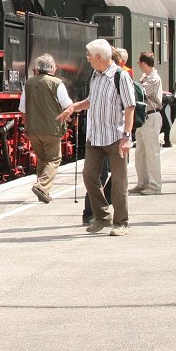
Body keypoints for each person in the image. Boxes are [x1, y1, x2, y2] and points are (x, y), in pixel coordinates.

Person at [58, 39, 136, 237]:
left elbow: (130, 107)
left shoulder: (120, 77)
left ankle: (121, 222)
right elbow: (92, 101)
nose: (87, 60)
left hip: (115, 137)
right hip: (96, 137)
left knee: (119, 182)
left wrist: (126, 136)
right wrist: (74, 107)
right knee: (89, 176)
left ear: (98, 57)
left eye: (89, 56)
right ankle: (102, 216)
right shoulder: (95, 75)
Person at [19, 54, 73, 204]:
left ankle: (43, 191)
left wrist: (27, 125)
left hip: (34, 129)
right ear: (51, 69)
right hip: (51, 129)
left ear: (37, 69)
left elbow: (22, 108)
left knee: (42, 159)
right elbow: (67, 105)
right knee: (54, 159)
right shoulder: (56, 83)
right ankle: (42, 186)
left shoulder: (28, 83)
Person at [129, 51, 163, 195]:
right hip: (143, 118)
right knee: (140, 153)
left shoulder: (154, 78)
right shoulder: (147, 77)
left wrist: (139, 82)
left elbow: (140, 93)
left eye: (139, 63)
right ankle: (142, 182)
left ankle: (155, 186)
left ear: (143, 63)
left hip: (151, 116)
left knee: (152, 153)